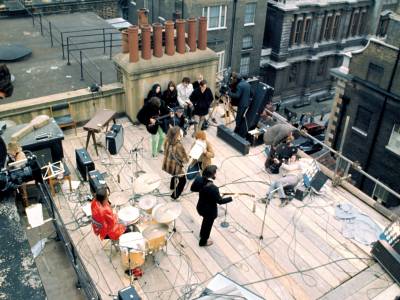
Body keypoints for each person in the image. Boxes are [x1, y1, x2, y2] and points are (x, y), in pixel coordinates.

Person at [190, 165, 232, 246]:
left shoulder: (198, 179)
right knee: (207, 226)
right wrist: (231, 198)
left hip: (200, 207)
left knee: (205, 223)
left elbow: (193, 189)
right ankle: (203, 241)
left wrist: (203, 191)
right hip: (209, 212)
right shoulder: (213, 188)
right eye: (215, 173)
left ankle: (202, 234)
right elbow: (220, 201)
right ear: (213, 175)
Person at [162, 126, 189, 199]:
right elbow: (185, 160)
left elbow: (166, 150)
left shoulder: (166, 140)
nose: (181, 135)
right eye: (180, 134)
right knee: (183, 180)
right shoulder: (178, 145)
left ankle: (172, 186)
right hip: (175, 167)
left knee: (173, 175)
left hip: (167, 164)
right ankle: (174, 196)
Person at [228, 72, 251, 136]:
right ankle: (238, 130)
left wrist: (229, 93)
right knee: (240, 117)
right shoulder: (247, 84)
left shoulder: (239, 85)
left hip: (241, 104)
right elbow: (251, 93)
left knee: (238, 118)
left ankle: (236, 131)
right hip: (246, 104)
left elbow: (237, 96)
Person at [7, 141, 29, 207]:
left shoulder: (20, 155)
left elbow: (17, 166)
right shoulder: (13, 156)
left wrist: (11, 166)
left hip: (22, 176)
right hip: (16, 176)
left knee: (22, 191)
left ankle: (26, 207)